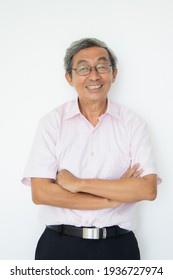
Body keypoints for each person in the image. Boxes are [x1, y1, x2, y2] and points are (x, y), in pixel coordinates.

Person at [22, 38, 161, 260]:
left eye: (102, 66)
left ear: (113, 74)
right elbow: (41, 193)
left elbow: (146, 190)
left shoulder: (133, 124)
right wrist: (113, 199)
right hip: (59, 247)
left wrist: (78, 184)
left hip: (119, 247)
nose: (94, 75)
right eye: (84, 68)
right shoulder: (52, 123)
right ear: (70, 77)